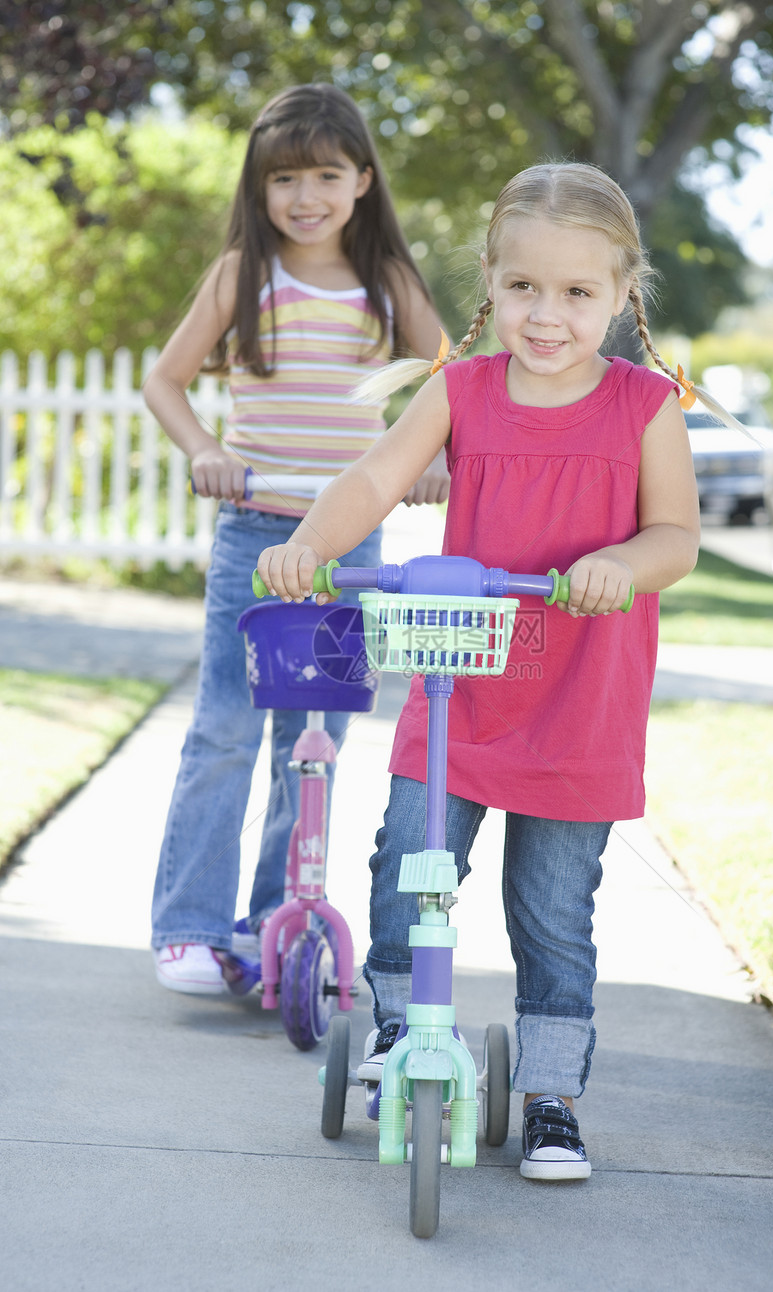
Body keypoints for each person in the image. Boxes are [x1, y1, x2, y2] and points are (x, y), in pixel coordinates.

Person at [257, 161, 709, 1181]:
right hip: (459, 686)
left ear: (621, 293)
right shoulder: (459, 389)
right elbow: (374, 475)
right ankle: (394, 1029)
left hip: (578, 698)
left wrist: (617, 563)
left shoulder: (643, 406)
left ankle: (549, 1095)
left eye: (576, 293)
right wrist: (311, 545)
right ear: (489, 285)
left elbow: (675, 536)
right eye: (522, 289)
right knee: (406, 868)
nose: (545, 316)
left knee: (552, 909)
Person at [146, 83, 448, 994]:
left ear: (362, 179)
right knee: (228, 730)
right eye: (285, 179)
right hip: (255, 531)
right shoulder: (244, 274)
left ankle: (279, 917)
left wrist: (442, 458)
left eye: (325, 174)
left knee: (311, 738)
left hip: (349, 549)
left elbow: (453, 386)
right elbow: (166, 380)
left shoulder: (388, 281)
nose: (305, 195)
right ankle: (189, 929)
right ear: (259, 188)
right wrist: (204, 448)